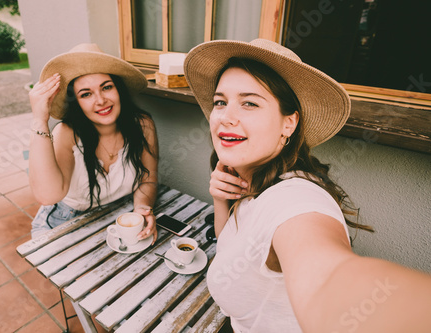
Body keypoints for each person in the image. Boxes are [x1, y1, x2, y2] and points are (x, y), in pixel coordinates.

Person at [184, 39, 431, 333]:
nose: (226, 116)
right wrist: (221, 200)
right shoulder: (255, 180)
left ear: (289, 123)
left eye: (249, 102)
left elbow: (330, 278)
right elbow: (232, 246)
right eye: (220, 102)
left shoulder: (295, 198)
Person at [28, 43, 158, 242]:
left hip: (117, 214)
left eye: (106, 87)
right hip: (64, 221)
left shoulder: (143, 125)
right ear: (77, 103)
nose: (100, 100)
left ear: (119, 89)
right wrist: (40, 120)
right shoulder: (67, 133)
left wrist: (141, 209)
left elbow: (147, 178)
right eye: (86, 94)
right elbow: (48, 196)